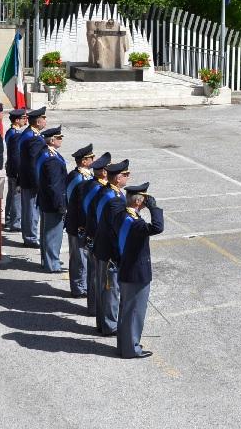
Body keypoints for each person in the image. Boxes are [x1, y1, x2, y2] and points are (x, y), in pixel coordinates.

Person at [115, 182, 164, 358]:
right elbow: (157, 227)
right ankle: (131, 349)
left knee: (126, 310)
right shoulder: (135, 223)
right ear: (138, 202)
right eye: (144, 198)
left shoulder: (121, 215)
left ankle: (124, 345)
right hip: (136, 273)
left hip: (125, 270)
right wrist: (154, 208)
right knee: (135, 312)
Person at [93, 158, 130, 335]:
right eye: (126, 174)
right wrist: (119, 254)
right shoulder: (116, 200)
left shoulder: (105, 191)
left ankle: (103, 323)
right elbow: (116, 231)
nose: (128, 177)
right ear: (117, 179)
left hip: (100, 247)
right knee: (110, 290)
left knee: (103, 288)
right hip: (109, 252)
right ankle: (110, 325)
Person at [79, 152, 112, 317]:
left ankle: (94, 307)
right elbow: (96, 216)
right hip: (95, 236)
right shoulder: (98, 189)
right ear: (104, 171)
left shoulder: (92, 184)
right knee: (95, 275)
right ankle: (94, 308)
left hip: (92, 234)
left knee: (95, 273)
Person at [35, 126, 68, 273]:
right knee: (53, 235)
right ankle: (52, 264)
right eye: (59, 138)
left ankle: (46, 260)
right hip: (52, 202)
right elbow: (55, 186)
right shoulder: (52, 160)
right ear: (52, 140)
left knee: (47, 233)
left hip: (44, 199)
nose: (61, 140)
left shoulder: (44, 153)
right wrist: (61, 205)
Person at [64, 144, 94, 297]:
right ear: (83, 161)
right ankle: (78, 288)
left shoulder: (86, 175)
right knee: (79, 258)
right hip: (77, 224)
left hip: (81, 223)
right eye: (91, 158)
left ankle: (83, 284)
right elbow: (75, 203)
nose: (93, 160)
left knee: (84, 256)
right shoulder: (77, 178)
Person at [17, 107, 48, 248]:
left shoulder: (30, 134)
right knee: (31, 210)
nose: (45, 121)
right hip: (31, 181)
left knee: (29, 209)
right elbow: (32, 164)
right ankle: (30, 237)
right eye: (44, 118)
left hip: (25, 178)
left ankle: (29, 235)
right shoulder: (34, 139)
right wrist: (37, 183)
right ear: (37, 121)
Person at [3, 108, 27, 232]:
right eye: (23, 118)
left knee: (11, 195)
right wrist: (20, 172)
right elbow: (17, 156)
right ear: (17, 120)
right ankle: (15, 223)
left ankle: (8, 219)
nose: (26, 120)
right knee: (16, 197)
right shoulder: (17, 135)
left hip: (11, 168)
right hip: (16, 170)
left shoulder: (10, 132)